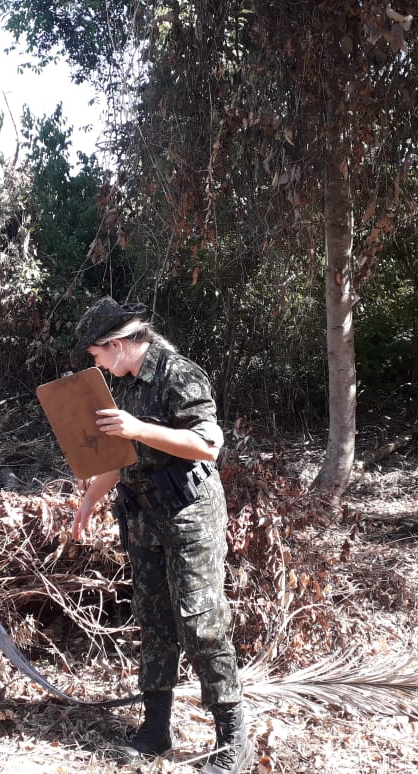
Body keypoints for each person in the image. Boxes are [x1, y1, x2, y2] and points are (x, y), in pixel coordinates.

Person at [70, 296, 254, 774]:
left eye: (97, 355)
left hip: (189, 513)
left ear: (115, 344)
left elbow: (206, 446)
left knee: (200, 621)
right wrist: (90, 498)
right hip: (143, 514)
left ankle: (233, 740)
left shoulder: (180, 374)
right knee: (153, 620)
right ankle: (156, 730)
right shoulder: (123, 384)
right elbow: (119, 452)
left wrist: (138, 427)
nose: (97, 364)